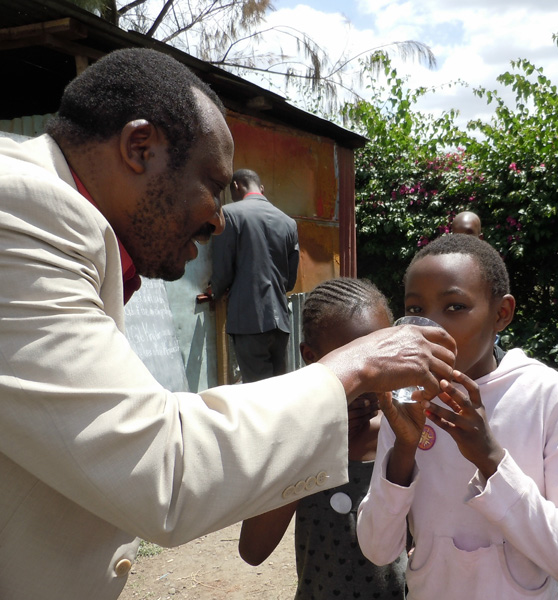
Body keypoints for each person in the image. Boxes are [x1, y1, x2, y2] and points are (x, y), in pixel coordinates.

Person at [0, 48, 455, 600]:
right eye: (212, 186)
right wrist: (354, 367)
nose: (219, 218)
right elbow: (160, 470)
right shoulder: (23, 208)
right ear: (138, 148)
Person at [357, 234, 558, 599]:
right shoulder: (406, 399)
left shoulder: (546, 394)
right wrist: (403, 452)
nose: (430, 329)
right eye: (416, 311)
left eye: (454, 307)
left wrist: (490, 458)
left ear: (501, 313)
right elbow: (377, 549)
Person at [238, 277, 407, 599]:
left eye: (380, 361)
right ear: (311, 357)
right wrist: (317, 443)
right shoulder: (299, 436)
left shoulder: (405, 432)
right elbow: (253, 549)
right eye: (356, 366)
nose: (369, 380)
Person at [210, 168, 300, 381]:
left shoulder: (230, 214)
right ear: (261, 188)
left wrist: (215, 290)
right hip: (281, 323)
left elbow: (223, 268)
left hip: (250, 320)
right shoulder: (288, 222)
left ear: (235, 186)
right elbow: (291, 279)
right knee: (279, 388)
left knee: (257, 393)